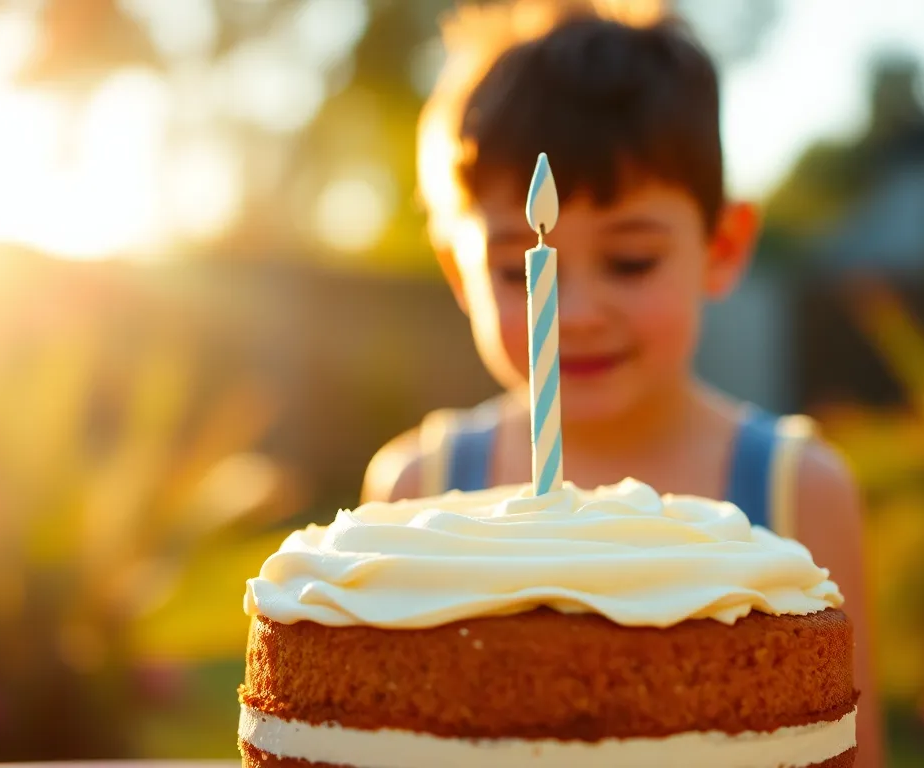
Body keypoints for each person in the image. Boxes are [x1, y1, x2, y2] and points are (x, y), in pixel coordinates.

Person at [362, 1, 881, 764]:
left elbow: (853, 751)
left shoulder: (798, 490)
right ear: (457, 272)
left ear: (723, 246)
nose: (572, 314)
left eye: (631, 261)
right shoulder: (417, 492)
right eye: (520, 269)